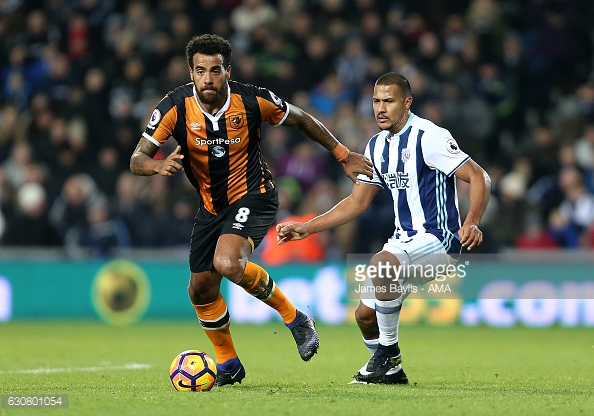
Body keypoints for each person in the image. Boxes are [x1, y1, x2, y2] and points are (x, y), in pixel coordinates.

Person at [129, 34, 373, 386]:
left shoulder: (252, 100)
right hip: (211, 208)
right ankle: (228, 363)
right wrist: (155, 166)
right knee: (200, 290)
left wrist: (342, 154)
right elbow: (137, 158)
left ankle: (296, 319)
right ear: (191, 72)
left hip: (254, 196)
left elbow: (302, 119)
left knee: (227, 263)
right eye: (200, 71)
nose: (208, 79)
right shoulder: (174, 106)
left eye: (215, 70)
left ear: (227, 70)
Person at [277, 72, 491, 384]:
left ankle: (388, 352)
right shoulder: (376, 145)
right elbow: (356, 202)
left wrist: (471, 221)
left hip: (439, 238)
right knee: (364, 316)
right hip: (403, 241)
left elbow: (478, 176)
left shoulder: (429, 136)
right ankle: (391, 372)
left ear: (407, 103)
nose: (380, 107)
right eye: (376, 101)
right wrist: (307, 227)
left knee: (382, 264)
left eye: (388, 101)